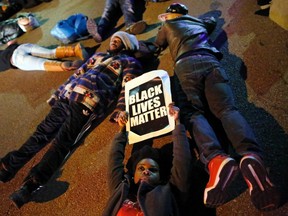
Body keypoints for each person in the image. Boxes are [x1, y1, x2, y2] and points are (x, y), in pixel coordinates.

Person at [154, 3, 281, 211]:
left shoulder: (167, 25)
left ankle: (216, 159)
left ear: (169, 15)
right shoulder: (199, 22)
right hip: (211, 61)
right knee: (227, 110)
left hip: (185, 66)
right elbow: (212, 22)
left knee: (192, 114)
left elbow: (157, 45)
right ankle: (250, 154)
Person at [0, 31, 143, 208]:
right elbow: (76, 75)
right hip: (67, 98)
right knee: (41, 133)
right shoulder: (98, 56)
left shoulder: (129, 62)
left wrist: (121, 110)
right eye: (112, 38)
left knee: (63, 142)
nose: (113, 41)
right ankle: (7, 167)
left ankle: (31, 185)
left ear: (127, 44)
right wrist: (58, 95)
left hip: (88, 103)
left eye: (118, 40)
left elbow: (129, 87)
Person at [102, 103, 192, 216]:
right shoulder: (120, 191)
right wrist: (122, 129)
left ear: (160, 177)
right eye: (140, 168)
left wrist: (177, 123)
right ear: (133, 175)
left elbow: (182, 159)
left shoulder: (171, 192)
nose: (146, 171)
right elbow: (114, 160)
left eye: (153, 170)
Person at [0, 40, 89, 72]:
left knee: (42, 64)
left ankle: (67, 65)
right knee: (50, 53)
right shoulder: (2, 51)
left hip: (17, 60)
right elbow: (12, 42)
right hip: (21, 47)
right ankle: (76, 50)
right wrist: (10, 44)